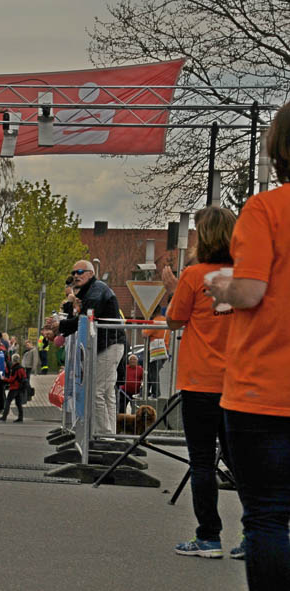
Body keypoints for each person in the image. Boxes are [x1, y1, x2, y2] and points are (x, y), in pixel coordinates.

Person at [206, 102, 290, 588]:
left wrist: (222, 287)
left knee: (267, 517)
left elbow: (252, 291)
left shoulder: (265, 210)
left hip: (263, 391)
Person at [160, 206, 238, 559]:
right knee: (241, 460)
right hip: (238, 380)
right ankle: (256, 532)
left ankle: (209, 537)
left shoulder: (194, 276)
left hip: (200, 379)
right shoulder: (246, 275)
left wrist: (174, 289)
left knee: (202, 460)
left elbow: (175, 321)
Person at [54, 260, 126, 435]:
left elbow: (85, 319)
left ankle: (103, 434)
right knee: (106, 392)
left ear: (91, 273)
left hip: (108, 344)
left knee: (98, 392)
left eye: (80, 272)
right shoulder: (90, 291)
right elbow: (80, 318)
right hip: (107, 344)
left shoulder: (96, 291)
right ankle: (109, 434)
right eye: (73, 273)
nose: (76, 276)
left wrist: (61, 325)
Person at [0, 353, 27, 422]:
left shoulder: (14, 369)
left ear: (13, 360)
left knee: (8, 402)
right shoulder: (22, 368)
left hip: (14, 387)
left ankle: (4, 416)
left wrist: (4, 379)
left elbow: (12, 379)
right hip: (20, 387)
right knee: (19, 403)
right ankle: (20, 417)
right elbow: (24, 377)